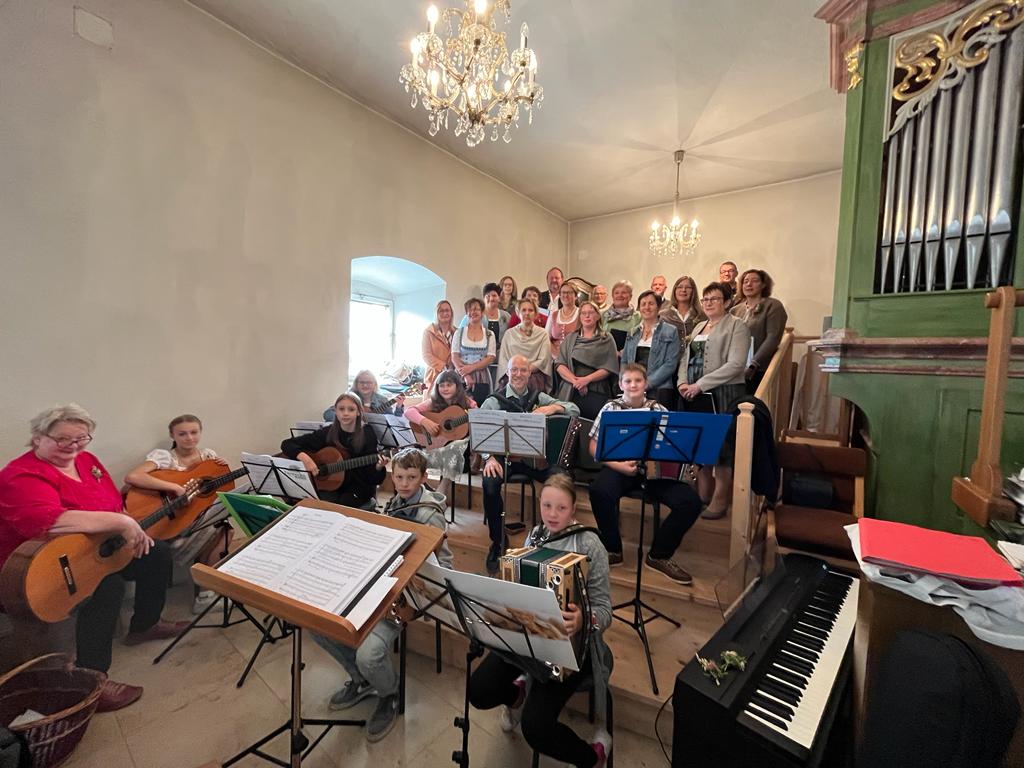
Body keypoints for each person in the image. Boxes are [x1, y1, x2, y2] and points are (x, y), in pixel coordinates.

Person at [0, 404, 188, 712]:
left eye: (81, 438)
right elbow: (46, 521)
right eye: (62, 439)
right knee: (107, 588)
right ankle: (91, 681)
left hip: (93, 549)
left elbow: (112, 504)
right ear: (37, 438)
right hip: (40, 567)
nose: (73, 446)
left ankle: (145, 625)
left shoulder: (87, 461)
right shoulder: (19, 475)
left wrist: (128, 524)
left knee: (156, 552)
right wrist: (121, 523)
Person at [468, 473, 612, 768]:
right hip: (530, 637)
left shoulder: (591, 545)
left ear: (574, 509)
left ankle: (592, 757)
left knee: (535, 727)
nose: (553, 514)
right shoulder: (535, 536)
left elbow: (605, 609)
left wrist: (584, 619)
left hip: (574, 648)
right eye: (547, 506)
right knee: (478, 690)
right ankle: (516, 696)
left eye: (561, 507)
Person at [314, 447, 452, 742]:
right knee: (319, 626)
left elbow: (440, 567)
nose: (404, 483)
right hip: (381, 583)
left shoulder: (430, 515)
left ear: (424, 477)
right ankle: (362, 679)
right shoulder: (394, 503)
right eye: (399, 477)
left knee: (369, 654)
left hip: (408, 595)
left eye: (411, 477)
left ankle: (389, 693)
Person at [588, 365, 702, 583]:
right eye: (628, 381)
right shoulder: (610, 408)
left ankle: (659, 555)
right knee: (599, 491)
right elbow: (593, 447)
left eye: (638, 380)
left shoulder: (658, 409)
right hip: (620, 468)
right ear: (620, 385)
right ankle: (612, 549)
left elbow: (676, 444)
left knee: (691, 502)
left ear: (646, 384)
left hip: (654, 471)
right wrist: (620, 466)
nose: (633, 385)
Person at [478, 355, 579, 574]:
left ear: (529, 373)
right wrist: (489, 457)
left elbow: (574, 409)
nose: (518, 374)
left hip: (534, 461)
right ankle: (498, 541)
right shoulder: (495, 401)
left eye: (523, 370)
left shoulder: (538, 397)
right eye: (514, 370)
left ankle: (556, 537)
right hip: (504, 459)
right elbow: (479, 429)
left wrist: (553, 408)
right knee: (490, 483)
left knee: (562, 477)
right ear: (507, 372)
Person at [124, 414, 232, 614]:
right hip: (170, 523)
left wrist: (223, 468)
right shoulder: (165, 457)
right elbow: (133, 477)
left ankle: (205, 592)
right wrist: (174, 487)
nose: (189, 438)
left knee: (224, 530)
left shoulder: (208, 456)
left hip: (196, 518)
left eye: (194, 432)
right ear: (172, 435)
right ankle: (205, 592)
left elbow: (217, 490)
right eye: (182, 434)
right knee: (220, 531)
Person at [677, 282, 751, 519]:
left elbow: (736, 364)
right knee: (700, 443)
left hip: (724, 392)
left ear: (727, 302)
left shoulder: (738, 326)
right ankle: (703, 493)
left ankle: (720, 498)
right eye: (705, 299)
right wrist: (682, 382)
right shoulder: (699, 326)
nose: (708, 303)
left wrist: (700, 384)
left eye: (714, 299)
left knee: (722, 447)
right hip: (694, 393)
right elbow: (685, 358)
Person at [282, 393, 386, 509]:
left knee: (336, 506)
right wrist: (305, 459)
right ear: (335, 411)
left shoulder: (367, 433)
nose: (345, 413)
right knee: (300, 501)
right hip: (329, 486)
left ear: (359, 412)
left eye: (351, 409)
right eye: (341, 409)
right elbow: (287, 444)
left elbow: (373, 479)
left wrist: (378, 467)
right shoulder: (328, 432)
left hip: (357, 487)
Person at [404, 369, 477, 499]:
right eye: (441, 385)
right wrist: (425, 421)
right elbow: (409, 411)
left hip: (461, 452)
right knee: (411, 454)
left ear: (457, 386)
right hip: (436, 447)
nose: (445, 388)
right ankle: (425, 489)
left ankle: (440, 493)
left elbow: (479, 418)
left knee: (453, 449)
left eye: (449, 385)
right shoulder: (433, 402)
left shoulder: (468, 403)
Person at [554, 301, 619, 420]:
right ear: (579, 317)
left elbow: (610, 367)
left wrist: (587, 380)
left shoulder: (606, 338)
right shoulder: (570, 338)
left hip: (597, 390)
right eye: (583, 313)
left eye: (591, 312)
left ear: (598, 316)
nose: (587, 316)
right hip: (570, 389)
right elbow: (560, 364)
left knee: (593, 425)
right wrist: (576, 382)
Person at [732, 269, 788, 393]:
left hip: (759, 369)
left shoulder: (773, 305)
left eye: (754, 281)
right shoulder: (735, 310)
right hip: (735, 368)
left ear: (763, 285)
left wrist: (754, 363)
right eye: (745, 281)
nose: (749, 284)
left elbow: (773, 337)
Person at [622, 290, 680, 407]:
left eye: (651, 304)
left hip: (660, 389)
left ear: (658, 307)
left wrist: (647, 383)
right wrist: (626, 381)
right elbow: (624, 361)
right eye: (643, 304)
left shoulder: (671, 331)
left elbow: (670, 364)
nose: (646, 307)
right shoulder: (632, 332)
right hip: (633, 389)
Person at [498, 298, 552, 393]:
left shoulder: (543, 334)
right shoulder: (509, 334)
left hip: (533, 377)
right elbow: (503, 359)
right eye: (523, 310)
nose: (527, 313)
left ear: (535, 314)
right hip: (512, 377)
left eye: (530, 310)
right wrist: (516, 372)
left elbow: (543, 359)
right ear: (518, 313)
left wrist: (524, 371)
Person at [451, 297, 497, 404]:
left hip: (481, 377)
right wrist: (465, 375)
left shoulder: (490, 334)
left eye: (476, 309)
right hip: (461, 375)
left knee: (480, 406)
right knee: (458, 407)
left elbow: (490, 357)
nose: (473, 312)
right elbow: (454, 356)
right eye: (470, 310)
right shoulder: (459, 332)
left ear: (482, 312)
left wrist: (471, 368)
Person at [459, 282, 510, 348]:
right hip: (479, 351)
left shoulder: (506, 316)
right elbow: (460, 333)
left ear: (499, 298)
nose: (491, 299)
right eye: (488, 296)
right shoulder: (473, 315)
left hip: (501, 352)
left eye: (494, 295)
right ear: (483, 299)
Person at [660, 275, 705, 350]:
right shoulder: (663, 316)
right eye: (680, 287)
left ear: (693, 291)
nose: (683, 290)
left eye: (688, 287)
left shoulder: (702, 316)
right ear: (675, 290)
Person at [421, 300, 456, 390]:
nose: (445, 313)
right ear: (436, 313)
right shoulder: (429, 332)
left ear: (451, 313)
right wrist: (443, 367)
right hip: (434, 377)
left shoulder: (457, 332)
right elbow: (426, 355)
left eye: (447, 310)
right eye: (441, 311)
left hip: (452, 377)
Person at [546, 282, 580, 362]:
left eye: (569, 292)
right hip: (554, 358)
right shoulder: (553, 315)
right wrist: (556, 355)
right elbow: (545, 338)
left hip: (576, 358)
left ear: (575, 296)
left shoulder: (582, 313)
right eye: (563, 293)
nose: (566, 295)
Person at [602, 280, 641, 351]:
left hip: (627, 355)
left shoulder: (638, 317)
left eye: (624, 292)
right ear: (612, 296)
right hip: (604, 354)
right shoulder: (603, 315)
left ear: (630, 296)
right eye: (616, 293)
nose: (620, 295)